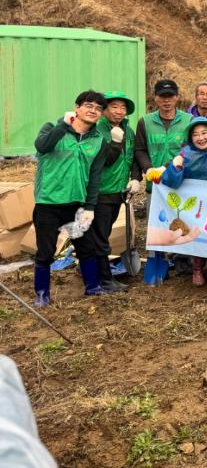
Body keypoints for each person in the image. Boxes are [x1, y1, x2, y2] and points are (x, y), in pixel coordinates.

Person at [32, 91, 109, 304]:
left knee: (86, 248)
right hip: (48, 203)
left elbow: (94, 177)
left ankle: (92, 287)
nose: (93, 110)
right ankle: (42, 295)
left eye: (98, 108)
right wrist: (63, 126)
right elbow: (42, 146)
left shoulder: (98, 141)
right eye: (88, 105)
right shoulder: (51, 128)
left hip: (77, 205)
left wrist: (90, 207)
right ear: (77, 107)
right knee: (46, 252)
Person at [87, 90, 142, 292]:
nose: (119, 112)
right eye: (114, 106)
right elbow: (105, 161)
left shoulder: (128, 129)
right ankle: (105, 280)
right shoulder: (97, 131)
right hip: (100, 191)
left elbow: (134, 157)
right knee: (100, 237)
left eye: (123, 107)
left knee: (104, 233)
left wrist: (136, 178)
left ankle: (92, 269)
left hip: (118, 192)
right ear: (104, 109)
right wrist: (115, 142)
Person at [160, 117, 207, 286]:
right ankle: (197, 268)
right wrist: (176, 167)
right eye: (195, 134)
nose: (200, 138)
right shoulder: (185, 154)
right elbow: (171, 181)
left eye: (204, 133)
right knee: (197, 233)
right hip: (197, 203)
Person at [134, 79, 194, 184]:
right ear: (155, 98)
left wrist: (165, 168)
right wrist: (148, 169)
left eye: (170, 96)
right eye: (162, 96)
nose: (167, 100)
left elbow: (189, 150)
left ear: (177, 97)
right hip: (155, 183)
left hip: (182, 183)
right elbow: (140, 150)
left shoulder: (189, 120)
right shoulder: (144, 122)